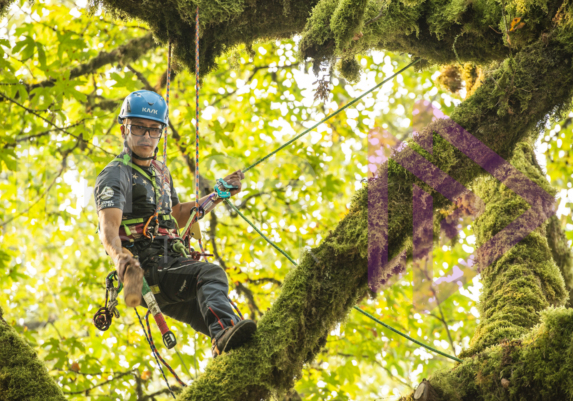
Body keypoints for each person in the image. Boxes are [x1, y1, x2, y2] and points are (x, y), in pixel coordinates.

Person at [93, 90, 256, 358]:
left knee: (232, 330)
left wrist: (217, 195)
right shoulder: (116, 173)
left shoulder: (161, 172)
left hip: (173, 267)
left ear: (161, 133)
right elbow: (108, 226)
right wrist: (118, 257)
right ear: (124, 129)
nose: (146, 136)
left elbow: (178, 214)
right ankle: (224, 336)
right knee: (211, 275)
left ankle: (227, 353)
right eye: (138, 128)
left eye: (154, 130)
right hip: (148, 268)